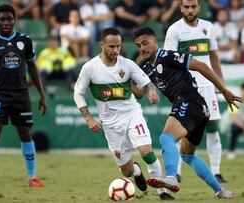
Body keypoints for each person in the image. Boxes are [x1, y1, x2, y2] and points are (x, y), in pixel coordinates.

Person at [133, 27, 241, 199]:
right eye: (138, 45)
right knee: (187, 155)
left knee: (166, 138)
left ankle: (170, 177)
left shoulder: (168, 56)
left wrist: (223, 90)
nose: (142, 48)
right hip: (198, 109)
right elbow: (139, 93)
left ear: (155, 41)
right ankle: (220, 191)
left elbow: (201, 66)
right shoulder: (146, 67)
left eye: (145, 43)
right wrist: (123, 81)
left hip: (190, 102)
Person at [73, 27, 174, 200]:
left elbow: (146, 81)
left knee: (147, 152)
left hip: (132, 115)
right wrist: (89, 118)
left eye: (118, 46)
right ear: (101, 44)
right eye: (111, 46)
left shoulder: (127, 64)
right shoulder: (90, 68)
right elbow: (78, 93)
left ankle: (162, 192)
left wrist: (151, 91)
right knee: (126, 171)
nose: (115, 50)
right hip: (111, 124)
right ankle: (136, 171)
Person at [0, 4, 47, 188]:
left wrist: (41, 94)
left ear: (15, 20)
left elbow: (32, 67)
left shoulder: (25, 40)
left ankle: (32, 178)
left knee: (25, 133)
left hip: (21, 95)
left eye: (9, 19)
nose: (6, 22)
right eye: (2, 19)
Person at [164, 0, 226, 183]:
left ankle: (216, 171)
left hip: (207, 85)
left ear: (199, 8)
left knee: (213, 127)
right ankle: (176, 171)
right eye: (186, 7)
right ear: (181, 8)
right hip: (187, 87)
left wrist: (220, 82)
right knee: (180, 128)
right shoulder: (174, 30)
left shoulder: (208, 27)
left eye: (193, 7)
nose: (190, 10)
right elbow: (168, 61)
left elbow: (214, 55)